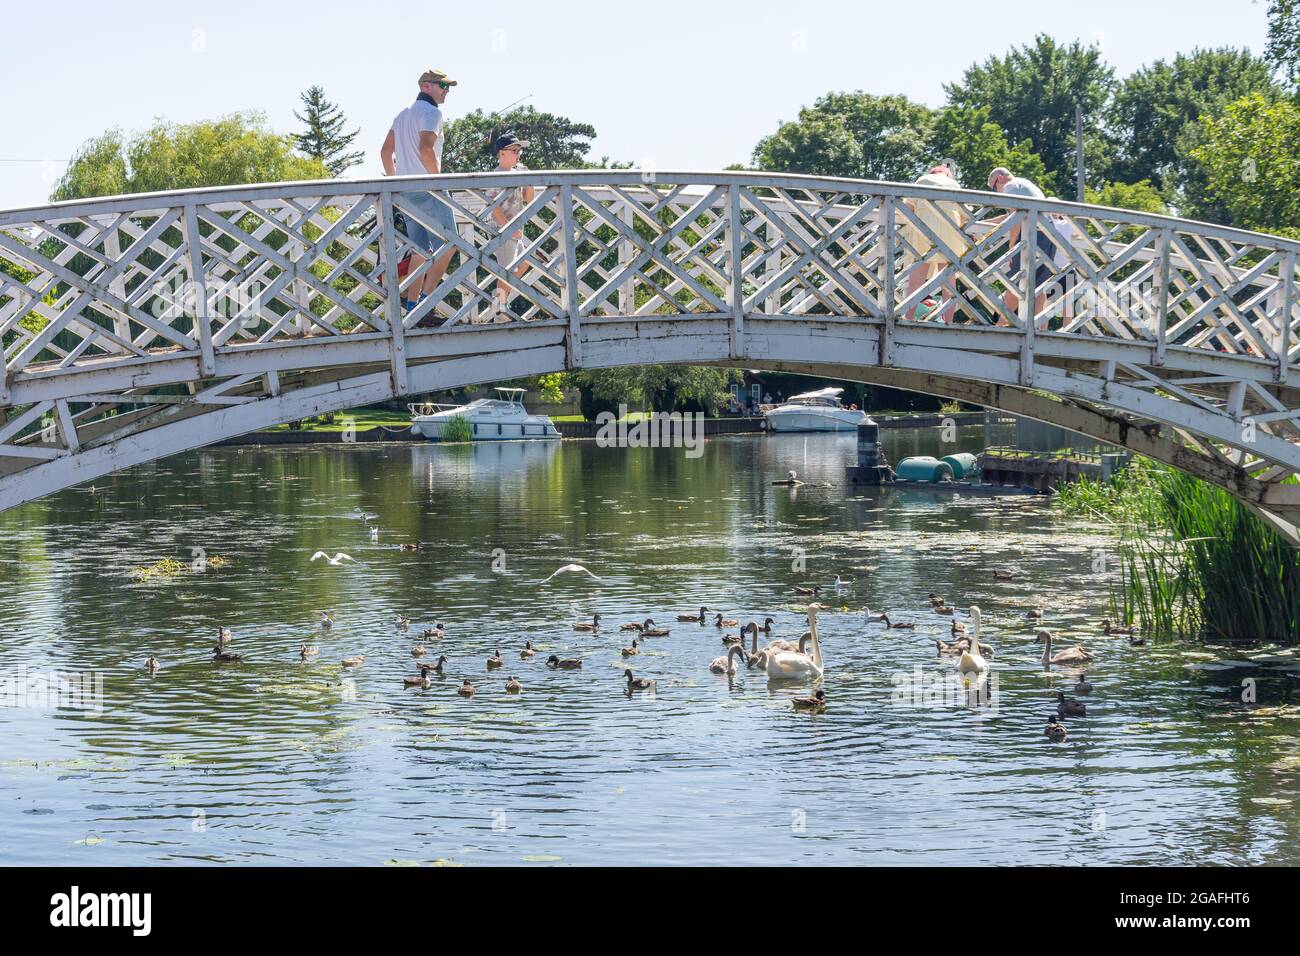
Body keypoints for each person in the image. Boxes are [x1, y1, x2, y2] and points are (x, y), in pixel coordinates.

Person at [379, 69, 459, 321]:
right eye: (442, 85)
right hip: (427, 189)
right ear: (426, 86)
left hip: (406, 191)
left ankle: (413, 307)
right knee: (451, 245)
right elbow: (426, 148)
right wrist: (437, 181)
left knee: (420, 250)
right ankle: (426, 303)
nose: (446, 91)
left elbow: (384, 152)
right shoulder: (432, 112)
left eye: (449, 87)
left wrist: (395, 183)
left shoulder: (402, 115)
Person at [901, 161, 970, 321]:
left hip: (924, 229)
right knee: (949, 280)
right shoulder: (954, 185)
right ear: (947, 175)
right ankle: (949, 321)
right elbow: (965, 215)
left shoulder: (922, 180)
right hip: (949, 230)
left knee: (916, 278)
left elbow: (907, 208)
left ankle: (909, 318)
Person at [987, 167, 1054, 326]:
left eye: (994, 187)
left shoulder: (1011, 187)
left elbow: (1016, 218)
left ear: (1001, 178)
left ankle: (1000, 327)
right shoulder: (1024, 185)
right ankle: (1041, 332)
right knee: (1039, 288)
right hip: (1049, 237)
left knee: (1018, 282)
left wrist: (1011, 247)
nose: (996, 192)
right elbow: (1010, 216)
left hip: (1034, 238)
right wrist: (983, 225)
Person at [482, 132, 536, 323]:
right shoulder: (495, 176)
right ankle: (499, 311)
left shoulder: (518, 173)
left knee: (525, 262)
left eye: (519, 151)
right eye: (514, 151)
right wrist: (508, 228)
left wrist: (528, 179)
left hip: (516, 229)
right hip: (501, 229)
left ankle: (499, 302)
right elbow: (493, 206)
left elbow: (530, 199)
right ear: (501, 153)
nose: (518, 155)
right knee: (508, 270)